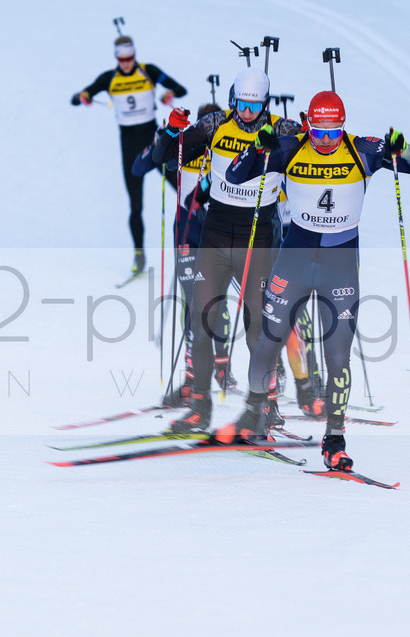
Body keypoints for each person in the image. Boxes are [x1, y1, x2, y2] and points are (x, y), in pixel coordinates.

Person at [216, 91, 410, 471]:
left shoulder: (364, 150)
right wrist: (258, 148)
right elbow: (235, 174)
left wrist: (405, 149)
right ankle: (253, 417)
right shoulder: (289, 148)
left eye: (333, 132)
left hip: (340, 266)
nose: (326, 140)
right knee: (268, 341)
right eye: (318, 132)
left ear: (343, 127)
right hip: (295, 259)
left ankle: (334, 440)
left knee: (337, 357)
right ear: (309, 126)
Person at [151, 67, 302, 433]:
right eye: (241, 105)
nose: (247, 113)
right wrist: (170, 130)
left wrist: (311, 131)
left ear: (265, 103)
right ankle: (199, 409)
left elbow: (319, 153)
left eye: (255, 106)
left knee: (258, 329)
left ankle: (266, 407)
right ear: (233, 100)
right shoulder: (215, 124)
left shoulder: (282, 129)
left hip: (257, 237)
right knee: (201, 321)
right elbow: (165, 156)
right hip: (216, 236)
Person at [130, 103, 237, 405]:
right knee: (192, 302)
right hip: (188, 231)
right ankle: (194, 377)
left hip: (219, 230)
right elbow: (140, 166)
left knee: (216, 300)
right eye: (204, 130)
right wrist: (166, 135)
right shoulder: (185, 145)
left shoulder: (228, 148)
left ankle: (222, 365)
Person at [72, 35, 187, 276]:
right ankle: (139, 257)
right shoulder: (108, 78)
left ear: (134, 55)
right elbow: (79, 96)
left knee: (184, 192)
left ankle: (199, 245)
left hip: (155, 142)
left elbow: (180, 89)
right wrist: (83, 97)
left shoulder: (149, 71)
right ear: (117, 58)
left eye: (129, 58)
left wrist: (169, 94)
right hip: (129, 145)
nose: (126, 63)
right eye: (122, 59)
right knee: (135, 205)